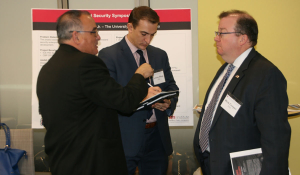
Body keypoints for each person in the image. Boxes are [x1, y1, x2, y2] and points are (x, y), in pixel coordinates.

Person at [36, 10, 156, 175]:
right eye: (93, 32)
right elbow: (124, 101)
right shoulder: (86, 64)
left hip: (63, 161)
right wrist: (139, 75)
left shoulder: (48, 69)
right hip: (90, 163)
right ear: (76, 36)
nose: (98, 37)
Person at [193, 10, 291, 175]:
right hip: (214, 164)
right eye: (217, 33)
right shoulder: (225, 69)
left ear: (243, 38)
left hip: (241, 168)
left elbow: (275, 140)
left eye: (222, 33)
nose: (216, 38)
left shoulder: (266, 74)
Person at [98, 6, 179, 175]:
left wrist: (168, 102)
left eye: (152, 34)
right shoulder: (109, 55)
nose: (148, 40)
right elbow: (111, 99)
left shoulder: (159, 55)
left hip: (157, 138)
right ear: (130, 27)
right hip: (125, 139)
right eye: (144, 34)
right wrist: (143, 99)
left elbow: (171, 87)